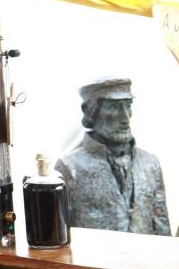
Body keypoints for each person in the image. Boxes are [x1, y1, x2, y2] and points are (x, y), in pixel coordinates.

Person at [54, 77, 171, 235]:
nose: (125, 117)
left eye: (128, 105)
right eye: (115, 107)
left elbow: (163, 230)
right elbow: (58, 235)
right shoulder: (69, 168)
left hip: (145, 252)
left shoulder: (150, 163)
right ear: (91, 112)